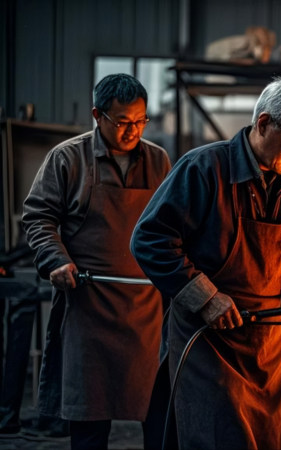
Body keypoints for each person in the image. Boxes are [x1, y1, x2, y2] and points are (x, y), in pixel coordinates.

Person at [131, 78, 281, 449]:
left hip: (266, 346)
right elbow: (149, 239)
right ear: (263, 124)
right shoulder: (204, 169)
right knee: (218, 437)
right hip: (209, 344)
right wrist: (207, 298)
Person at [21, 73, 171, 449]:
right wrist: (55, 259)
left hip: (146, 314)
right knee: (89, 425)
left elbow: (173, 225)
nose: (131, 130)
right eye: (122, 122)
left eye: (140, 121)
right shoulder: (68, 158)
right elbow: (38, 217)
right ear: (97, 115)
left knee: (160, 419)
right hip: (88, 307)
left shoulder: (158, 160)